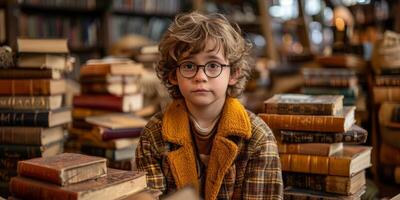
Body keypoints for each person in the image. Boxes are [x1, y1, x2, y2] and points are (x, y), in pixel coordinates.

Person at [135, 12, 283, 200]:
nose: (201, 77)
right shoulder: (154, 134)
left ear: (234, 74)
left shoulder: (258, 138)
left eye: (213, 65)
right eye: (189, 66)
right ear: (173, 75)